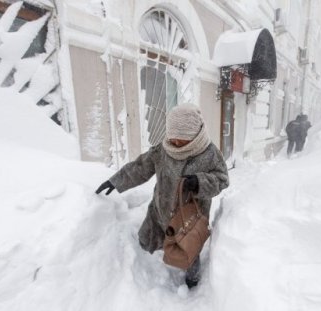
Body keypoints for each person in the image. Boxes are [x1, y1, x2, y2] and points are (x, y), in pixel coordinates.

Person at [95, 104, 229, 289]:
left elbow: (222, 179)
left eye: (179, 140)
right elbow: (141, 167)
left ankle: (193, 279)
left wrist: (199, 182)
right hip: (161, 211)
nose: (174, 143)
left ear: (193, 136)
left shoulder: (210, 153)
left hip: (189, 218)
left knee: (189, 249)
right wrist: (116, 181)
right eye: (172, 138)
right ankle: (142, 267)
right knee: (145, 240)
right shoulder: (164, 149)